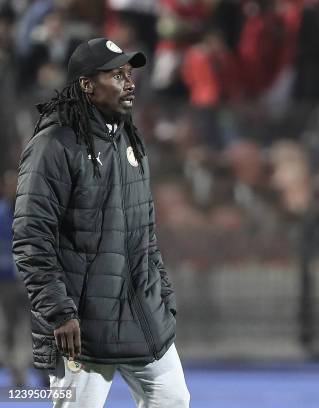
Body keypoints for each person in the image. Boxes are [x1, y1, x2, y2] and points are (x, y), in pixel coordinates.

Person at [12, 38, 190, 407]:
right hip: (82, 328)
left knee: (174, 400)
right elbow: (32, 238)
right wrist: (60, 313)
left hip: (142, 315)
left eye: (130, 74)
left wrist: (162, 294)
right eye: (117, 74)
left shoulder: (128, 138)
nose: (130, 82)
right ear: (87, 85)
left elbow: (145, 231)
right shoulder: (54, 144)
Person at [0, 170, 30, 387]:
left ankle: (34, 368)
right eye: (10, 184)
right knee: (9, 326)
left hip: (30, 279)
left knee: (32, 325)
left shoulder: (30, 211)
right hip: (6, 280)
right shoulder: (0, 214)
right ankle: (15, 368)